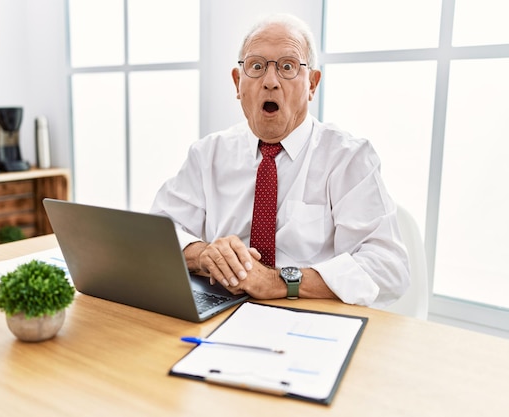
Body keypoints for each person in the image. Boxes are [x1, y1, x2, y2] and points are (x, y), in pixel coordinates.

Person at [150, 13, 409, 307]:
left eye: (287, 67)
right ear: (238, 83)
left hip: (312, 318)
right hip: (220, 311)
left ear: (312, 83)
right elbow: (155, 233)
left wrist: (277, 281)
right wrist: (203, 254)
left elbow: (389, 267)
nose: (270, 81)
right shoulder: (207, 154)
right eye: (257, 67)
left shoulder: (349, 157)